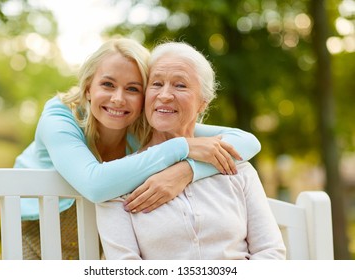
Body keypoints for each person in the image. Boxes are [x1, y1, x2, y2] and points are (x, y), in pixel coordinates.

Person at [14, 38, 261, 259]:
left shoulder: (139, 123)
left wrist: (187, 171)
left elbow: (246, 141)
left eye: (133, 89)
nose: (118, 99)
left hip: (96, 240)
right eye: (108, 85)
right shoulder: (59, 117)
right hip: (37, 229)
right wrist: (183, 147)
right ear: (88, 88)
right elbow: (96, 184)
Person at [95, 41, 286, 260]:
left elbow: (270, 252)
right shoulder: (119, 181)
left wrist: (187, 170)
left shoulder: (238, 170)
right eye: (156, 84)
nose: (165, 95)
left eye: (180, 85)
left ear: (203, 102)